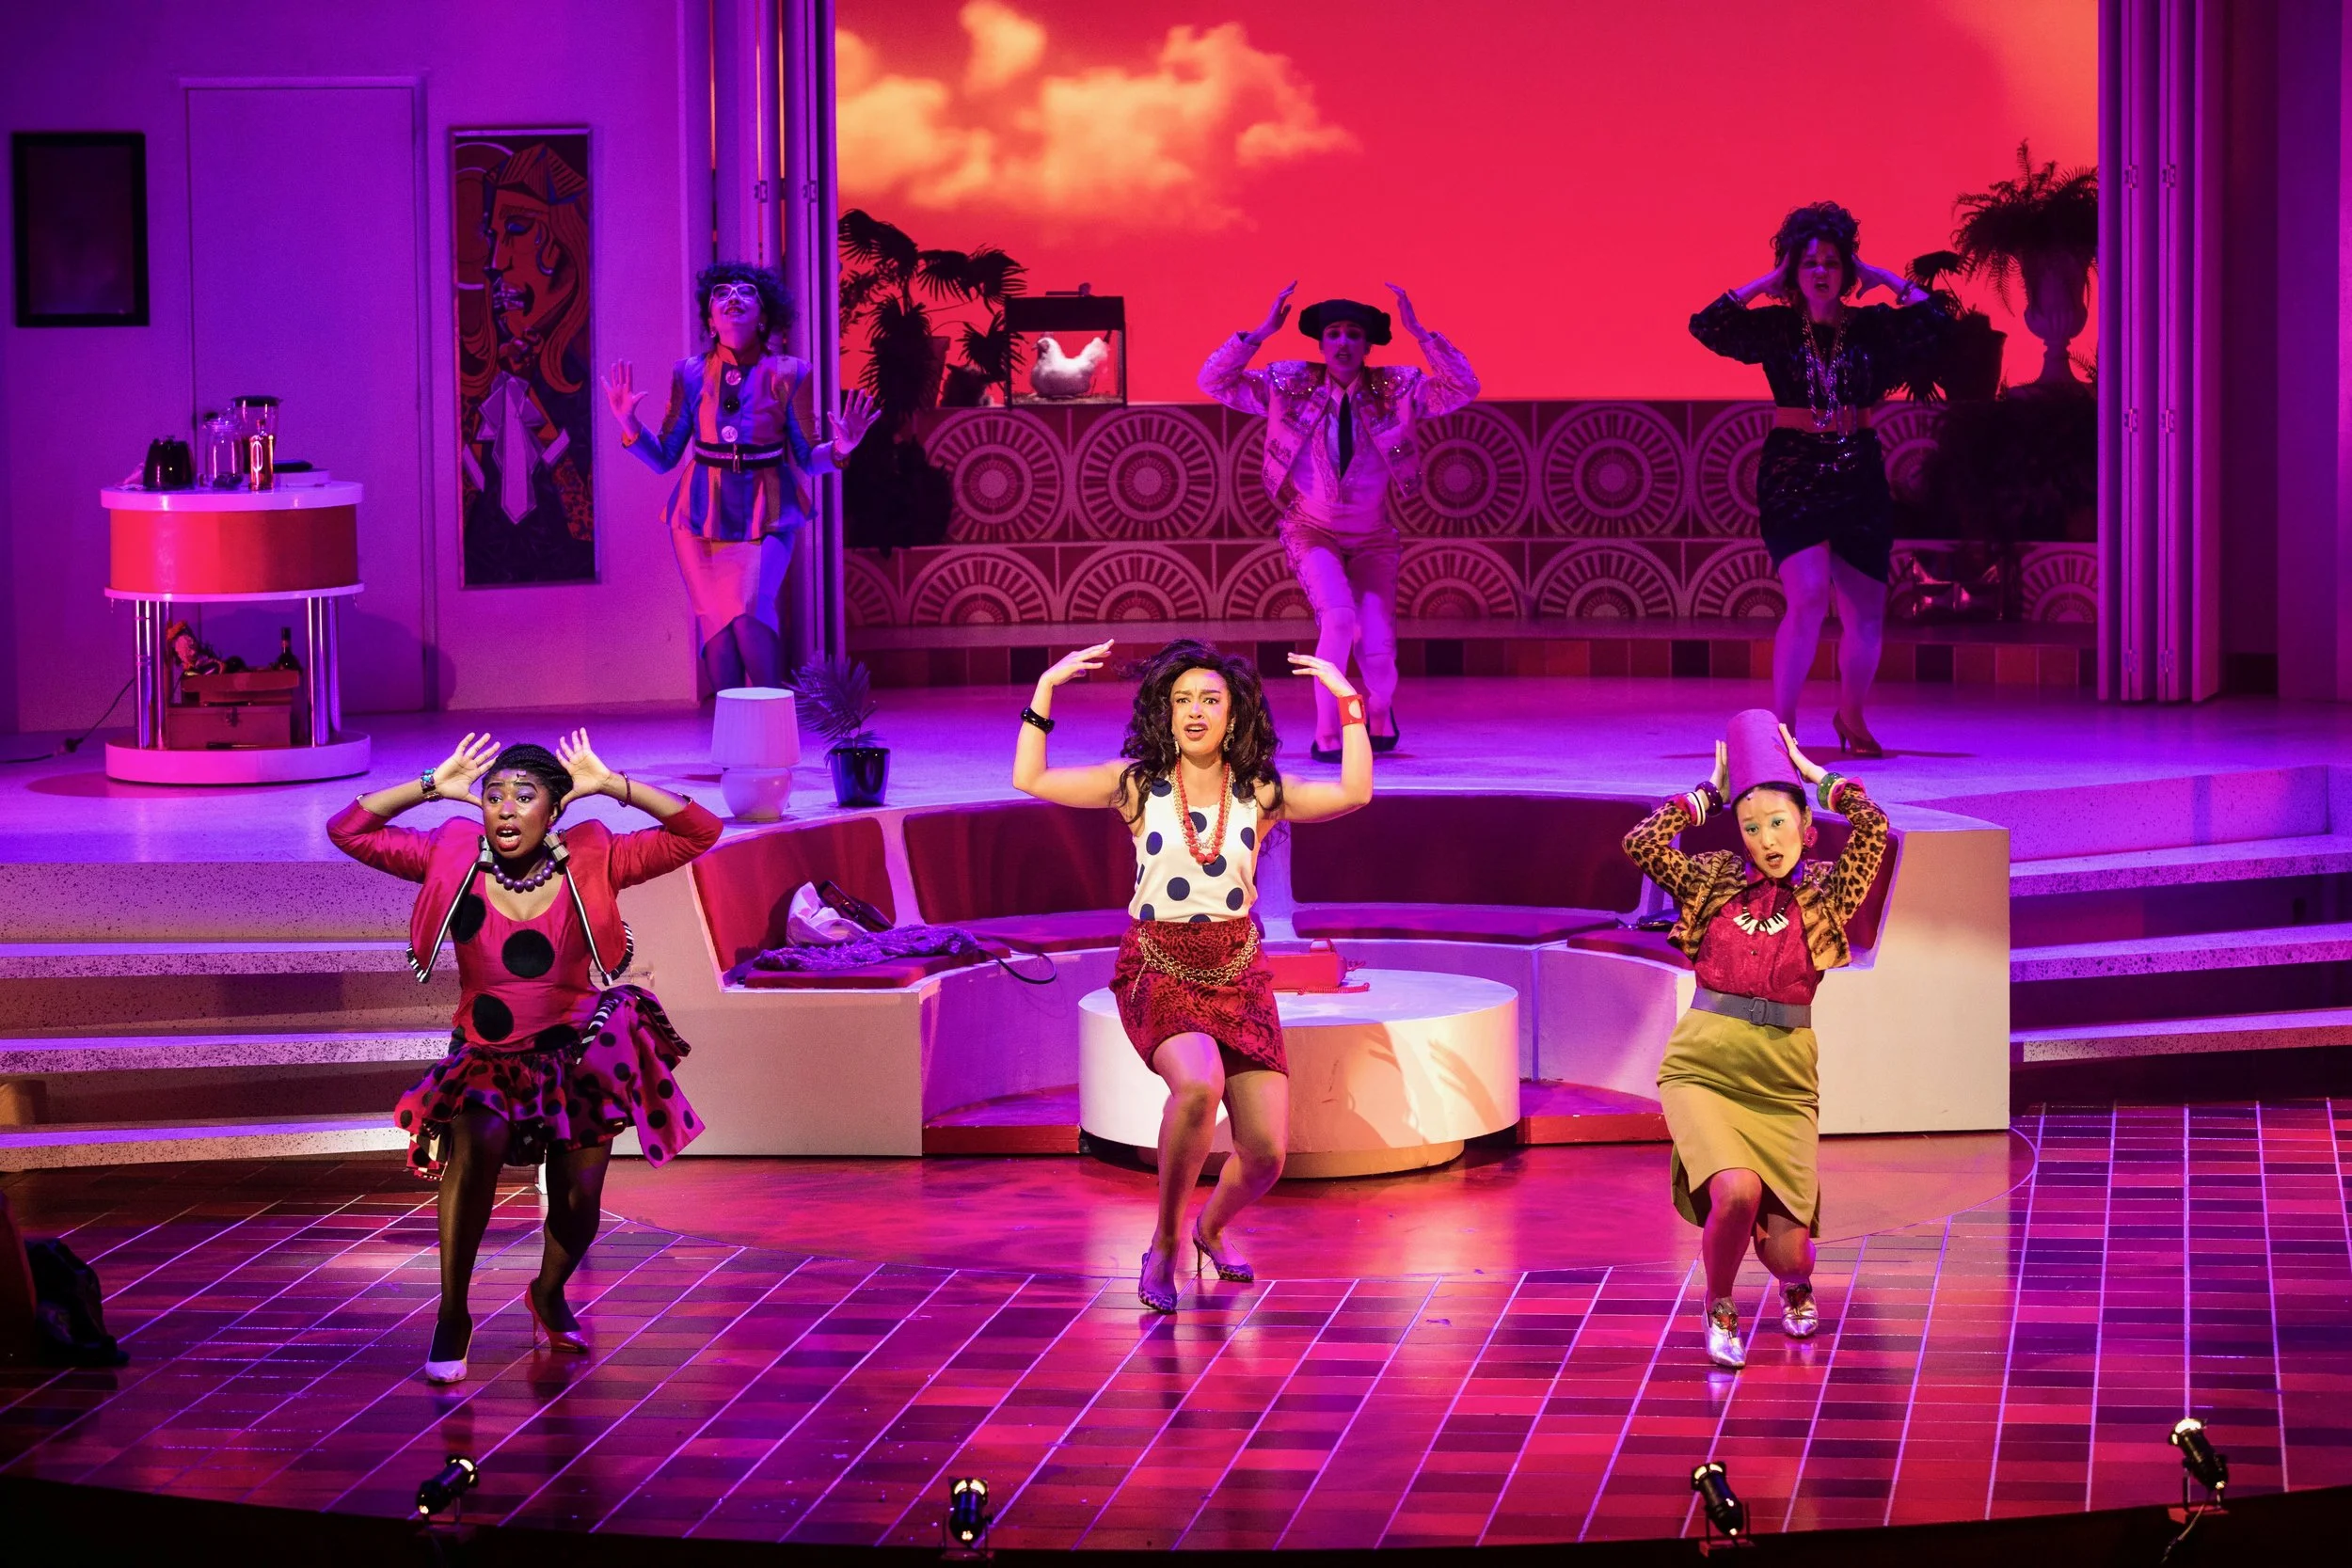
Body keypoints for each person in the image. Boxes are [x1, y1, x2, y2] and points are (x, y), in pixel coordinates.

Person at [328, 731, 722, 1384]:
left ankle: (547, 1291)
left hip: (572, 1059)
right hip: (484, 1057)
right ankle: (452, 1315)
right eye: (493, 796)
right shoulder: (451, 855)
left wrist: (612, 784)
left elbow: (700, 830)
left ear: (554, 809)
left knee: (578, 1202)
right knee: (476, 1144)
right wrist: (430, 786)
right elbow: (348, 830)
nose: (505, 808)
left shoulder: (596, 858)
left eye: (524, 795)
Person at [1013, 637, 1372, 1311]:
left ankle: (1210, 1228)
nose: (1195, 711)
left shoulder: (1258, 791)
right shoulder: (1136, 785)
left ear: (1233, 716)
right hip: (1160, 965)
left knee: (1265, 1153)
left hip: (1238, 970)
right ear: (1167, 713)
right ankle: (1165, 1242)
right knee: (1200, 1084)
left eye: (1210, 700)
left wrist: (1348, 702)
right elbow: (1031, 778)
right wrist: (1044, 690)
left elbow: (1355, 792)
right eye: (1182, 701)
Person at [1620, 707, 1887, 1369]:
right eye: (1750, 826)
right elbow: (1642, 844)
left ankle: (1794, 1283)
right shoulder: (1712, 878)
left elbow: (1873, 829)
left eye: (1777, 822)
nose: (1767, 839)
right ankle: (1719, 1305)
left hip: (1783, 1082)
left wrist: (1819, 777)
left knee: (1791, 1253)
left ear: (1804, 826)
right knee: (1735, 1191)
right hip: (1704, 1067)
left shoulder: (1827, 892)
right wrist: (1705, 795)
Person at [1690, 202, 1952, 756]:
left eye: (1832, 262)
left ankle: (1851, 715)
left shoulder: (1872, 328)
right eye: (1809, 263)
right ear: (1795, 270)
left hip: (1858, 471)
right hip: (1794, 472)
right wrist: (1766, 283)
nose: (1821, 272)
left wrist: (1884, 278)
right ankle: (1782, 728)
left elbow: (1939, 322)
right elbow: (1707, 325)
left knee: (1866, 613)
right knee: (1808, 597)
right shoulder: (1779, 328)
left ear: (1846, 269)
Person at [1200, 283, 1479, 761]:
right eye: (1334, 333)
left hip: (1373, 537)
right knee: (1339, 617)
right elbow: (1214, 382)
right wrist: (1259, 334)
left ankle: (1380, 710)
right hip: (1311, 528)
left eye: (1354, 334)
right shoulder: (1289, 385)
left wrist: (1420, 333)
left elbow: (1462, 387)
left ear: (1368, 345)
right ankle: (1328, 731)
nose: (1344, 342)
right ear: (1321, 343)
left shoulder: (1397, 388)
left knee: (1378, 653)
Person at [601, 263, 880, 696]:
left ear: (763, 316)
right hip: (698, 514)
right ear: (710, 320)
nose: (733, 297)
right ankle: (731, 732)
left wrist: (842, 448)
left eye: (746, 291)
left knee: (750, 613)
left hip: (767, 509)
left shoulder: (790, 372)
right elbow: (665, 457)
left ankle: (773, 724)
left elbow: (808, 459)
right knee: (714, 624)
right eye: (721, 293)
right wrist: (629, 424)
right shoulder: (689, 373)